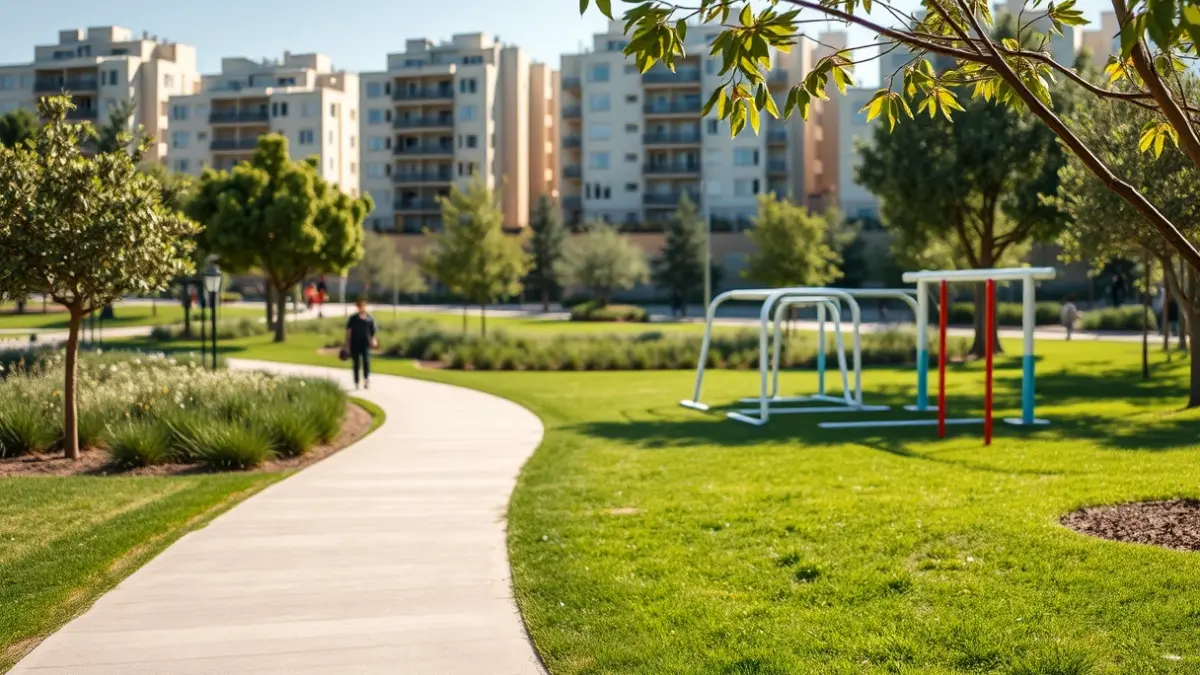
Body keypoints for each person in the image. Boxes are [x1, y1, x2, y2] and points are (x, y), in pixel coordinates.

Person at [343, 299, 378, 389]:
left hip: (365, 343)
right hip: (354, 343)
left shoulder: (369, 318)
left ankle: (366, 379)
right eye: (359, 306)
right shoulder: (353, 319)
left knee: (366, 361)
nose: (361, 308)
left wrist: (373, 340)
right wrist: (346, 345)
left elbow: (372, 331)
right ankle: (356, 382)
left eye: (362, 306)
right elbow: (348, 332)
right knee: (356, 363)